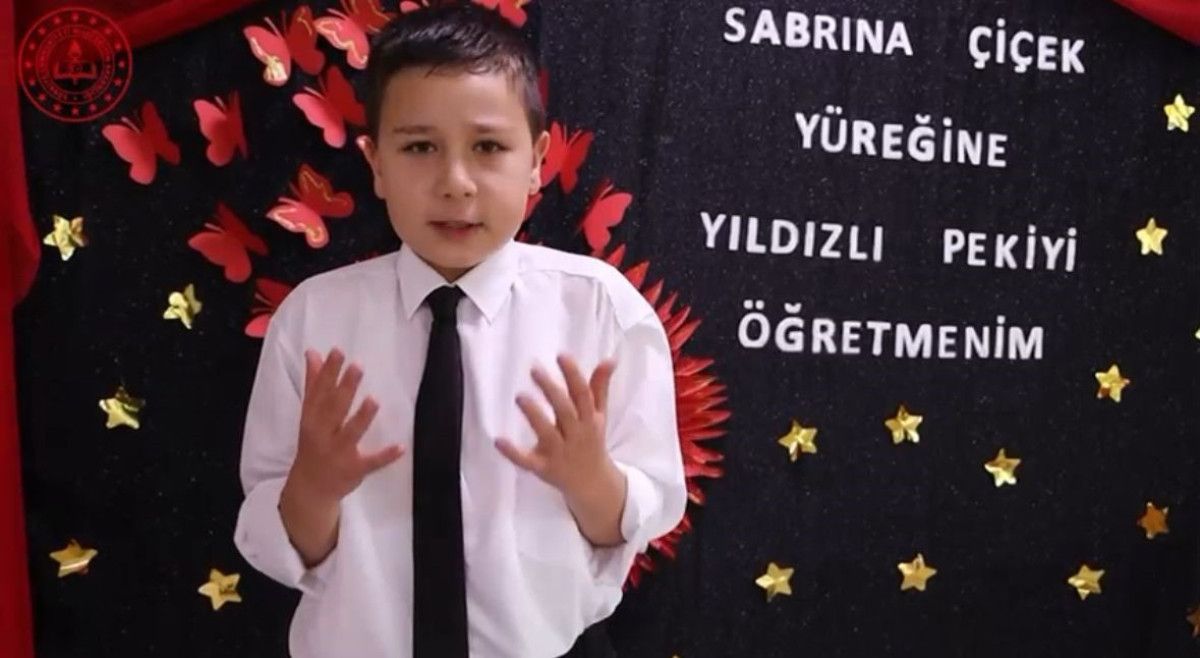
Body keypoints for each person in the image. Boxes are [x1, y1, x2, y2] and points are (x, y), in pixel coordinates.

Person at [232, 3, 687, 657]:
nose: (455, 183)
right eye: (419, 147)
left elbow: (646, 513)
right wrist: (314, 488)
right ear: (376, 163)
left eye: (488, 147)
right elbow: (277, 539)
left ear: (537, 159)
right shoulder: (314, 320)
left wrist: (589, 477)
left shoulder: (599, 311)